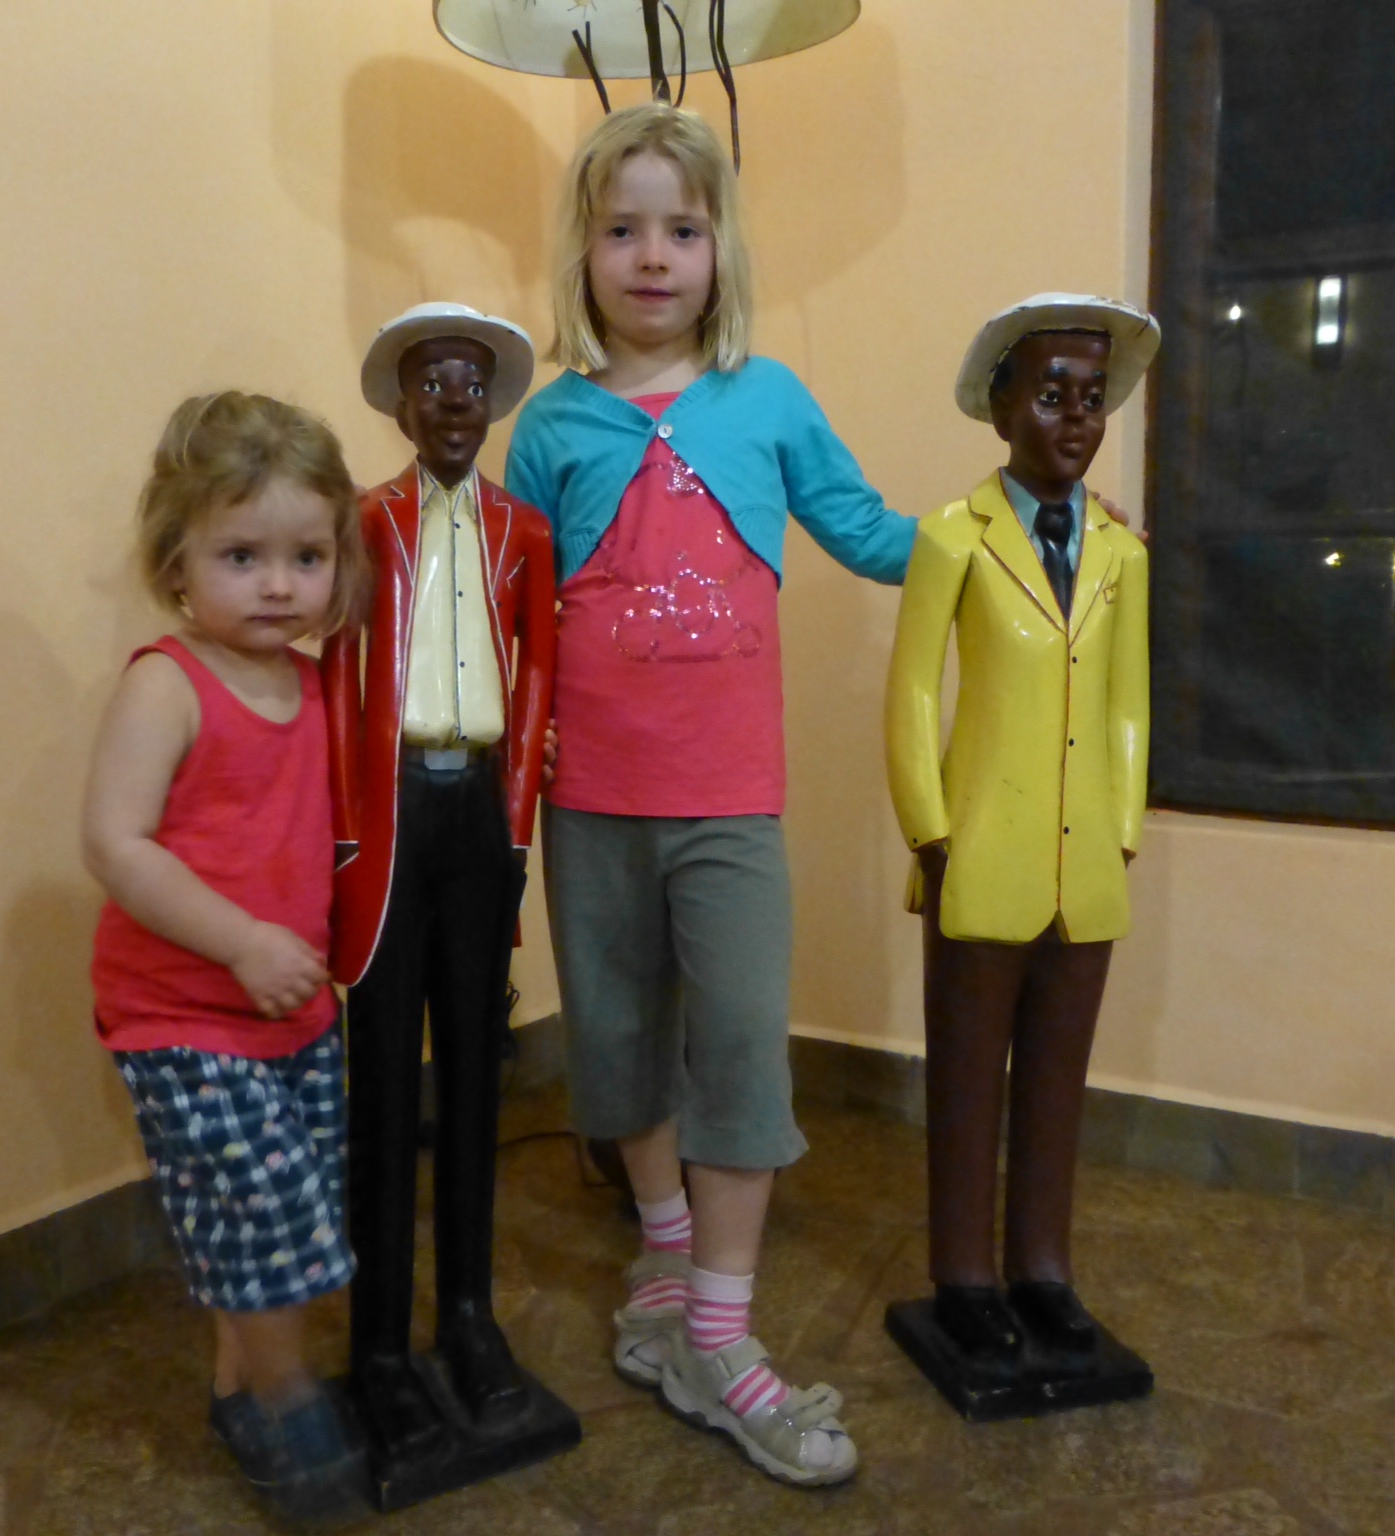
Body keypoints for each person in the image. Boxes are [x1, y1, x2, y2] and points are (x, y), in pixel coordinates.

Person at [504, 102, 909, 1487]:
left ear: (720, 247)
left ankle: (721, 1340)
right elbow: (510, 613)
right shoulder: (549, 424)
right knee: (618, 1047)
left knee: (736, 1050)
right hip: (589, 802)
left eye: (681, 228)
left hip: (729, 800)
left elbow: (871, 534)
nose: (652, 255)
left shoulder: (767, 400)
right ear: (583, 254)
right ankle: (667, 1261)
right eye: (622, 229)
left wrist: (1027, 523)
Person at [80, 391, 371, 1523]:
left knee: (276, 1213)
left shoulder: (315, 684)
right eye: (241, 556)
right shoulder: (166, 683)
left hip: (293, 1013)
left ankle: (236, 1390)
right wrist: (242, 941)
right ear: (178, 561)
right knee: (268, 1216)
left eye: (306, 557)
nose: (278, 585)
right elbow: (116, 842)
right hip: (183, 1016)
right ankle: (288, 1398)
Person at [885, 295, 1156, 1384]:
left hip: (1083, 858)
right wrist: (931, 829)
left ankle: (1042, 1266)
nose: (1076, 418)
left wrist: (1122, 826)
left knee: (1056, 1077)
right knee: (965, 1077)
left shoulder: (1120, 553)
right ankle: (963, 1276)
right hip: (979, 850)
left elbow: (1129, 701)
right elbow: (912, 693)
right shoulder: (952, 538)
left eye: (1091, 397)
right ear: (1001, 409)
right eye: (1050, 395)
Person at [323, 304, 559, 1465]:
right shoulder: (367, 522)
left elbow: (538, 679)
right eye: (432, 383)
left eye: (471, 382)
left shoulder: (524, 529)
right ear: (401, 403)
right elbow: (337, 680)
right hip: (393, 808)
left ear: (494, 399)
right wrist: (342, 836)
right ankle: (377, 1345)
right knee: (381, 1082)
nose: (453, 401)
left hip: (477, 814)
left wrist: (515, 827)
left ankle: (467, 1314)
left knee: (474, 1070)